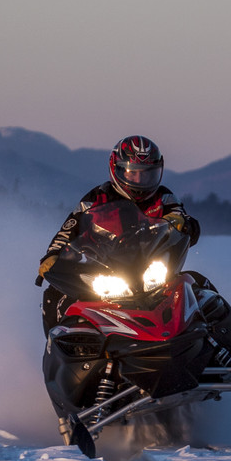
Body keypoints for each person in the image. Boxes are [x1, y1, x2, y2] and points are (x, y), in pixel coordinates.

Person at [37, 135, 200, 330]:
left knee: (195, 284)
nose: (139, 180)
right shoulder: (95, 198)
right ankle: (61, 347)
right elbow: (68, 229)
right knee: (56, 295)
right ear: (117, 169)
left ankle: (216, 334)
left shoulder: (164, 197)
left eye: (147, 174)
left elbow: (182, 219)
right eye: (133, 173)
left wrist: (186, 224)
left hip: (153, 269)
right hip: (104, 269)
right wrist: (53, 255)